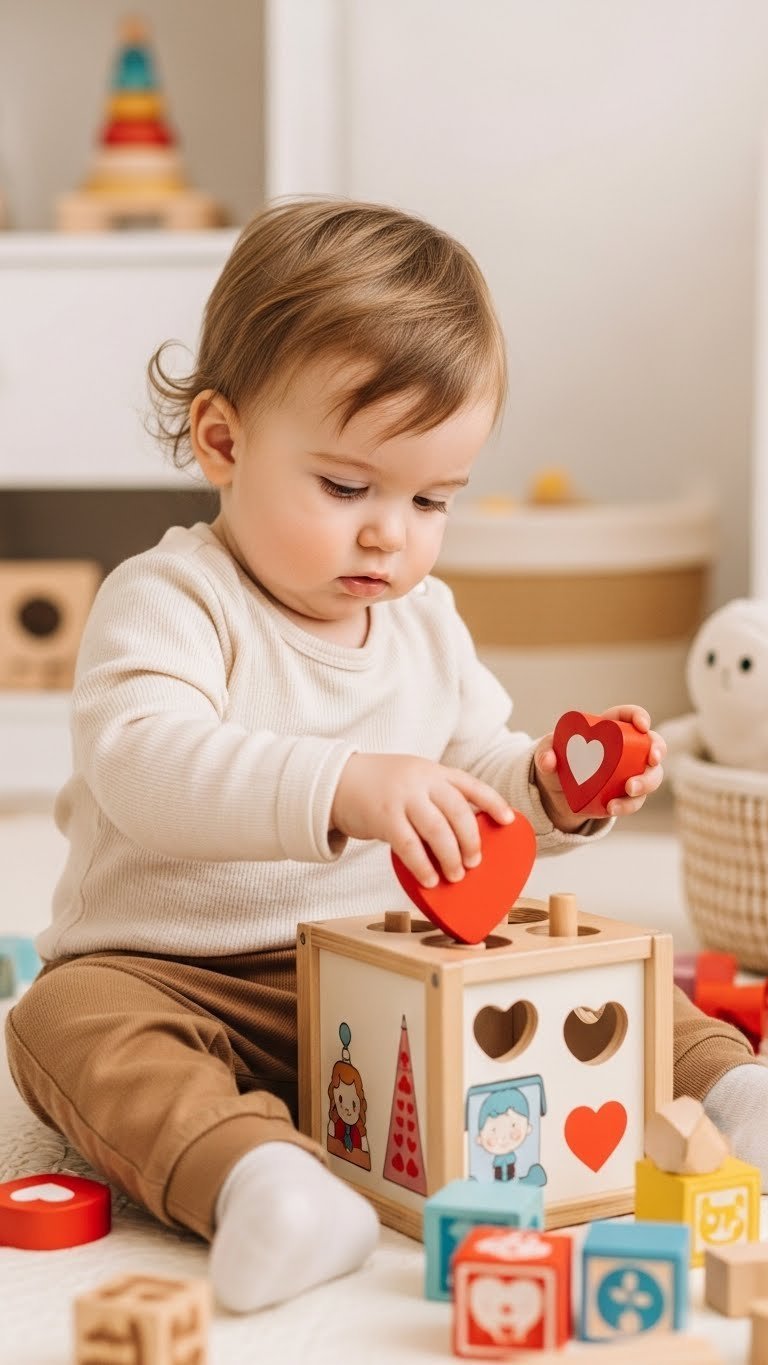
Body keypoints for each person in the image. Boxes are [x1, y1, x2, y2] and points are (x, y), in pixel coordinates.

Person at [4, 199, 761, 1315]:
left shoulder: (425, 623)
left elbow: (477, 772)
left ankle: (731, 1094)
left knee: (606, 974)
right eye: (347, 487)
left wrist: (552, 788)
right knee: (60, 1026)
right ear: (223, 440)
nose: (388, 533)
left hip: (380, 965)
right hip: (178, 968)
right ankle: (263, 1182)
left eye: (431, 500)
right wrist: (346, 785)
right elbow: (147, 765)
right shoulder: (168, 600)